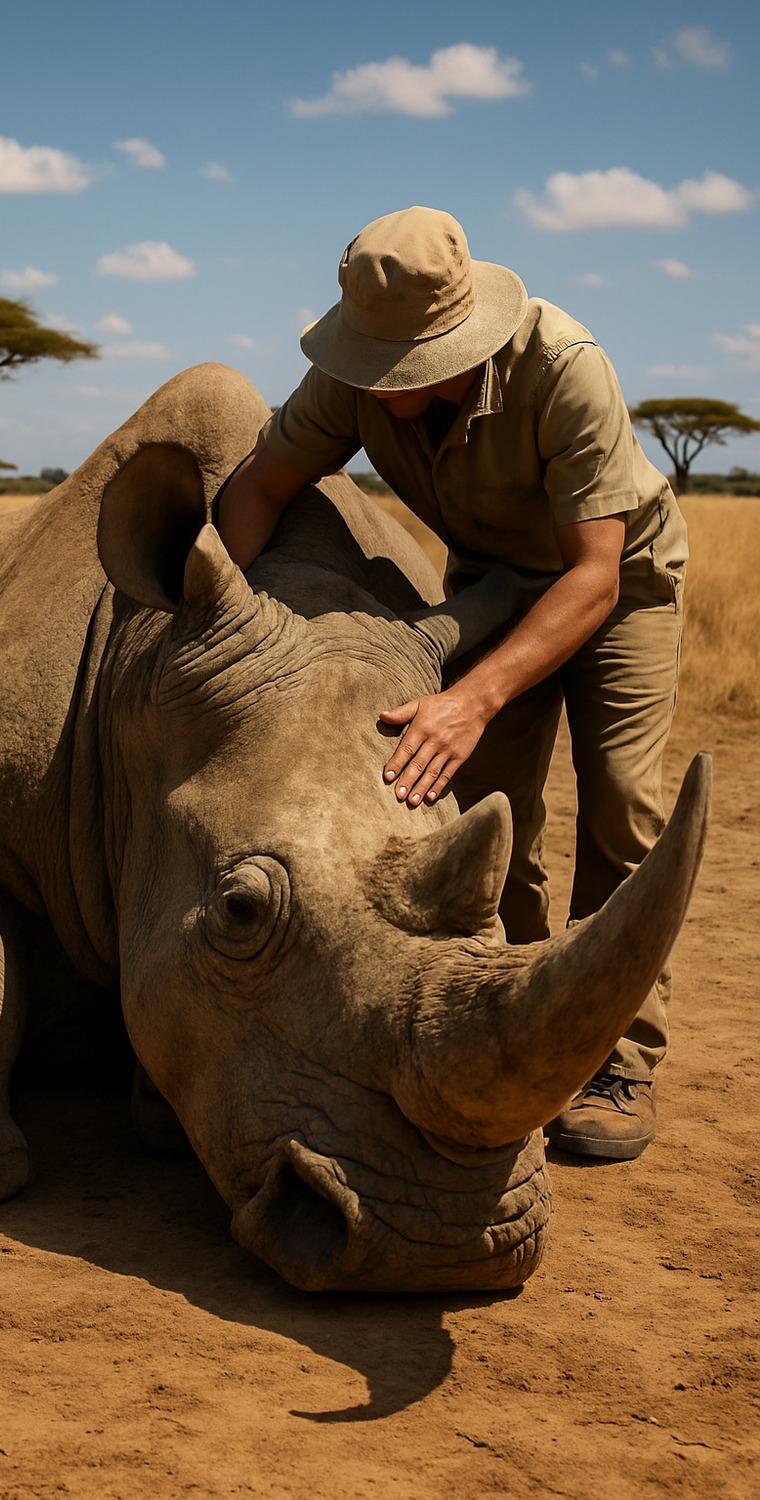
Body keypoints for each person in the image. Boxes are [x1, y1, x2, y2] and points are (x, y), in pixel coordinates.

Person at [217, 205, 687, 1162]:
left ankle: (617, 1058)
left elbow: (592, 573)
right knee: (483, 808)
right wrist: (209, 615)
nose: (387, 388)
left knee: (622, 807)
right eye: (373, 365)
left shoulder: (564, 366)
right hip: (490, 586)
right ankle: (514, 1011)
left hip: (620, 583)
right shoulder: (349, 379)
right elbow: (262, 487)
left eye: (411, 367)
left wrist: (475, 697)